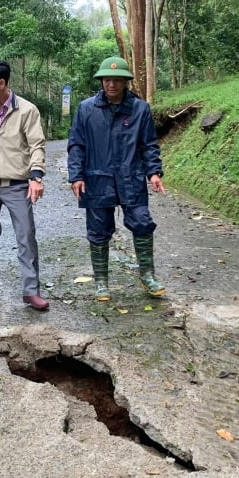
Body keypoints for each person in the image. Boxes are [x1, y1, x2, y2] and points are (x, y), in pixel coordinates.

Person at [67, 57, 167, 302]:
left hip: (130, 178)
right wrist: (76, 176)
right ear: (101, 81)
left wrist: (153, 172)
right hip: (96, 178)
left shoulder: (140, 109)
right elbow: (76, 145)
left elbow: (148, 145)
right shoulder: (86, 108)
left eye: (117, 80)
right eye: (107, 79)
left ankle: (147, 275)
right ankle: (101, 282)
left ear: (125, 82)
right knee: (98, 230)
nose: (111, 84)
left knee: (142, 222)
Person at [0, 60, 49, 311]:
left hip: (17, 185)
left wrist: (36, 177)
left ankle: (31, 291)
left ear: (1, 83)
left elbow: (37, 145)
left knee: (26, 237)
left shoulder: (27, 110)